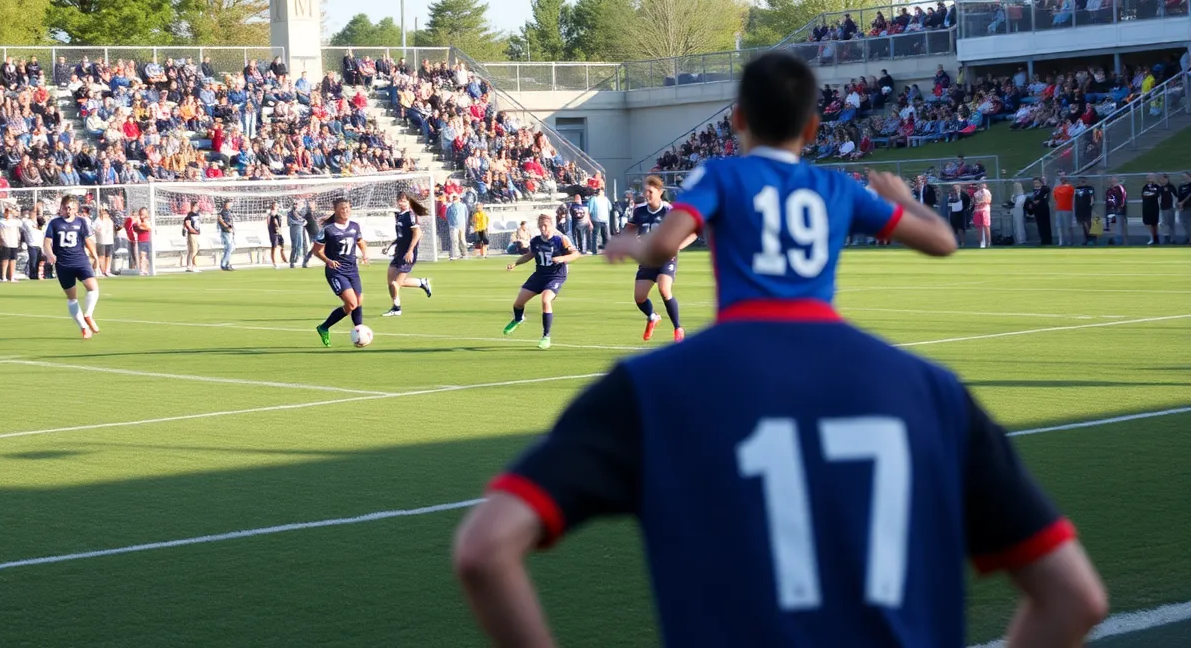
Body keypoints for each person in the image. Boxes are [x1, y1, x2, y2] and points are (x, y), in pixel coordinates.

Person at [455, 52, 1105, 648]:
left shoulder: (653, 388)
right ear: (816, 129)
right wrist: (904, 201)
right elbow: (1074, 599)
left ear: (736, 119)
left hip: (713, 366)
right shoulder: (932, 391)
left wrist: (640, 247)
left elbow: (483, 551)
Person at [620, 175, 695, 342]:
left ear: (660, 192)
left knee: (664, 289)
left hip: (666, 258)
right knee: (639, 298)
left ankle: (678, 328)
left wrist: (677, 246)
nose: (647, 194)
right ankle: (653, 316)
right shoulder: (639, 210)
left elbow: (693, 231)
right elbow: (629, 232)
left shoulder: (670, 211)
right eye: (645, 190)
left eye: (650, 191)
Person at [502, 213, 579, 350]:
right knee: (518, 303)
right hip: (539, 275)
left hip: (556, 276)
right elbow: (530, 255)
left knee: (545, 300)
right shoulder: (536, 241)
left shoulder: (561, 239)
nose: (544, 229)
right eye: (541, 226)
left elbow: (576, 254)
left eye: (546, 226)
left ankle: (546, 336)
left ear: (552, 226)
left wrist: (562, 259)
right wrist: (515, 263)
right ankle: (519, 319)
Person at [312, 198, 369, 347]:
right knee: (351, 303)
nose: (346, 211)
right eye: (342, 208)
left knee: (358, 301)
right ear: (336, 210)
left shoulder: (355, 226)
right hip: (336, 271)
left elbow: (361, 242)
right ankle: (323, 327)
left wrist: (365, 254)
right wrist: (328, 261)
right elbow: (316, 251)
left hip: (352, 269)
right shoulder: (328, 229)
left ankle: (359, 333)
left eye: (348, 208)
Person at [44, 195, 101, 339]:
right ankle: (83, 327)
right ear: (61, 208)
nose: (68, 210)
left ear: (76, 209)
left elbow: (88, 240)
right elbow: (46, 243)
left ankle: (88, 314)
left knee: (93, 288)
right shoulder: (54, 223)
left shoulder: (81, 222)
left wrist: (95, 256)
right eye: (65, 207)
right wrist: (50, 254)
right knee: (72, 297)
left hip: (81, 260)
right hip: (63, 264)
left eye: (71, 207)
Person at [383, 192, 432, 317]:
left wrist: (410, 251)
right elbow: (401, 236)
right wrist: (390, 245)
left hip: (407, 254)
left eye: (404, 201)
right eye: (400, 200)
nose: (401, 203)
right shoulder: (399, 215)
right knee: (390, 282)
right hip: (398, 252)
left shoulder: (411, 215)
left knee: (396, 283)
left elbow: (417, 234)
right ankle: (420, 283)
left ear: (409, 202)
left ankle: (397, 308)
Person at [0, 205, 23, 283]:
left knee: (13, 260)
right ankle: (4, 276)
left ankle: (12, 277)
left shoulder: (16, 222)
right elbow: (0, 232)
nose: (8, 215)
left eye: (10, 213)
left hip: (14, 243)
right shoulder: (2, 222)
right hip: (6, 243)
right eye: (7, 213)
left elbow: (18, 230)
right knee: (5, 260)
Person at [586, 189, 612, 254]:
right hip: (596, 220)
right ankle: (594, 251)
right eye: (601, 191)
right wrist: (589, 221)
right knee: (595, 236)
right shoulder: (593, 199)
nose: (603, 193)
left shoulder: (606, 199)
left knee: (605, 236)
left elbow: (610, 208)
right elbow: (589, 210)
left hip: (604, 220)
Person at [1029, 178, 1052, 246]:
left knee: (1046, 226)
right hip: (1037, 211)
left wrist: (1039, 201)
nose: (1035, 184)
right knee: (1040, 226)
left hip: (1044, 210)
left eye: (1037, 183)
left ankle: (1048, 240)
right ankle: (1043, 240)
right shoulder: (1034, 191)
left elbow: (1046, 192)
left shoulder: (1044, 189)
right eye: (1034, 183)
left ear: (1040, 183)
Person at [93, 206, 115, 276]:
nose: (105, 214)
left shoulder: (110, 221)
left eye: (106, 213)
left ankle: (106, 271)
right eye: (103, 213)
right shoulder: (98, 220)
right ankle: (99, 270)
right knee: (101, 256)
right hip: (101, 241)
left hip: (109, 241)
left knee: (108, 256)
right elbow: (95, 228)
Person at [1052, 176, 1075, 246]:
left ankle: (1070, 240)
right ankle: (1061, 241)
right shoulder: (1057, 188)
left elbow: (1068, 193)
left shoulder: (1069, 187)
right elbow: (1055, 197)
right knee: (1059, 226)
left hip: (1067, 209)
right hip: (1059, 209)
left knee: (1068, 226)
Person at [1074, 177, 1096, 245]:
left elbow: (1092, 198)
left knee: (1089, 224)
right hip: (1080, 209)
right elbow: (1075, 199)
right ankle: (1086, 239)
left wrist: (1091, 205)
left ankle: (1092, 239)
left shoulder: (1090, 188)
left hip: (1087, 209)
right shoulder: (1077, 189)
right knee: (1083, 225)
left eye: (1084, 181)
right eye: (1081, 181)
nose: (1082, 182)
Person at [1140, 174, 1161, 245]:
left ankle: (1155, 238)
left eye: (1151, 177)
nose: (1149, 178)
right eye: (1148, 177)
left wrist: (1150, 194)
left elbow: (1156, 194)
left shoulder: (1157, 187)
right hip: (1146, 207)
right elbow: (1144, 195)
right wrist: (1150, 194)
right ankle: (1152, 237)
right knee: (1147, 223)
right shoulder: (1145, 187)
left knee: (1154, 223)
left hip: (1154, 207)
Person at [182, 201, 202, 273]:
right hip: (192, 234)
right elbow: (188, 225)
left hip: (195, 234)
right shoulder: (189, 215)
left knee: (191, 250)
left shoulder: (197, 214)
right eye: (196, 206)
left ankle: (189, 266)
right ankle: (194, 266)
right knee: (194, 250)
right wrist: (193, 231)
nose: (197, 207)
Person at [973, 181, 993, 248]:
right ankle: (981, 242)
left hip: (985, 210)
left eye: (983, 185)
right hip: (978, 210)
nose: (981, 187)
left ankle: (988, 242)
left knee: (986, 226)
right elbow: (975, 202)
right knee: (979, 227)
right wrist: (979, 202)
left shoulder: (987, 192)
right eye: (980, 185)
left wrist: (982, 202)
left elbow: (989, 201)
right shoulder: (976, 193)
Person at [267, 201, 286, 269]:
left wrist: (279, 229)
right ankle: (274, 262)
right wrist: (273, 228)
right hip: (273, 232)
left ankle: (284, 259)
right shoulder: (271, 214)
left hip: (278, 232)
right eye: (275, 205)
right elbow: (269, 223)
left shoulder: (278, 214)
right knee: (274, 247)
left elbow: (279, 223)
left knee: (281, 245)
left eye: (277, 205)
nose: (276, 206)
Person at [218, 199, 236, 271]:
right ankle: (224, 264)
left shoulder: (228, 212)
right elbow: (220, 221)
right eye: (228, 204)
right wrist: (226, 226)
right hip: (225, 232)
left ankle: (226, 263)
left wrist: (233, 229)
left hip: (230, 232)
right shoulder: (222, 213)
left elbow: (230, 222)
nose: (229, 206)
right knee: (229, 248)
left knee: (230, 248)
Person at [287, 201, 307, 268]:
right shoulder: (290, 213)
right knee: (294, 246)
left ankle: (298, 258)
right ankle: (292, 262)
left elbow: (305, 221)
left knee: (300, 245)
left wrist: (303, 222)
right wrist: (300, 223)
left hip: (300, 231)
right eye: (294, 204)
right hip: (294, 231)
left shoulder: (300, 213)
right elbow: (289, 222)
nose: (296, 205)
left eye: (297, 204)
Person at [135, 207, 152, 276]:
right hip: (141, 240)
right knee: (142, 255)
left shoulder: (147, 221)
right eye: (142, 212)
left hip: (148, 240)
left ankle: (146, 269)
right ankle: (142, 270)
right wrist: (142, 226)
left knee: (147, 256)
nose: (143, 214)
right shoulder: (138, 221)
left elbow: (149, 228)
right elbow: (138, 227)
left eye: (144, 212)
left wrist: (143, 226)